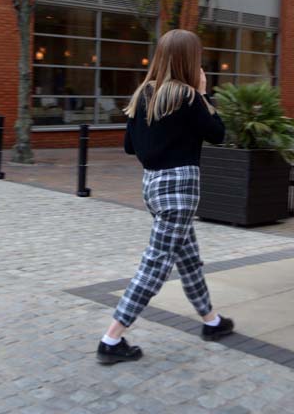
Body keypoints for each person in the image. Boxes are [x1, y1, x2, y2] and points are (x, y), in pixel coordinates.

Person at [97, 29, 233, 365]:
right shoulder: (188, 97)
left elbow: (130, 146)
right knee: (155, 265)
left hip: (152, 186)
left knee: (188, 258)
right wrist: (202, 95)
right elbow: (218, 133)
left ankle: (211, 321)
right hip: (180, 190)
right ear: (189, 60)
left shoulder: (144, 93)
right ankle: (111, 338)